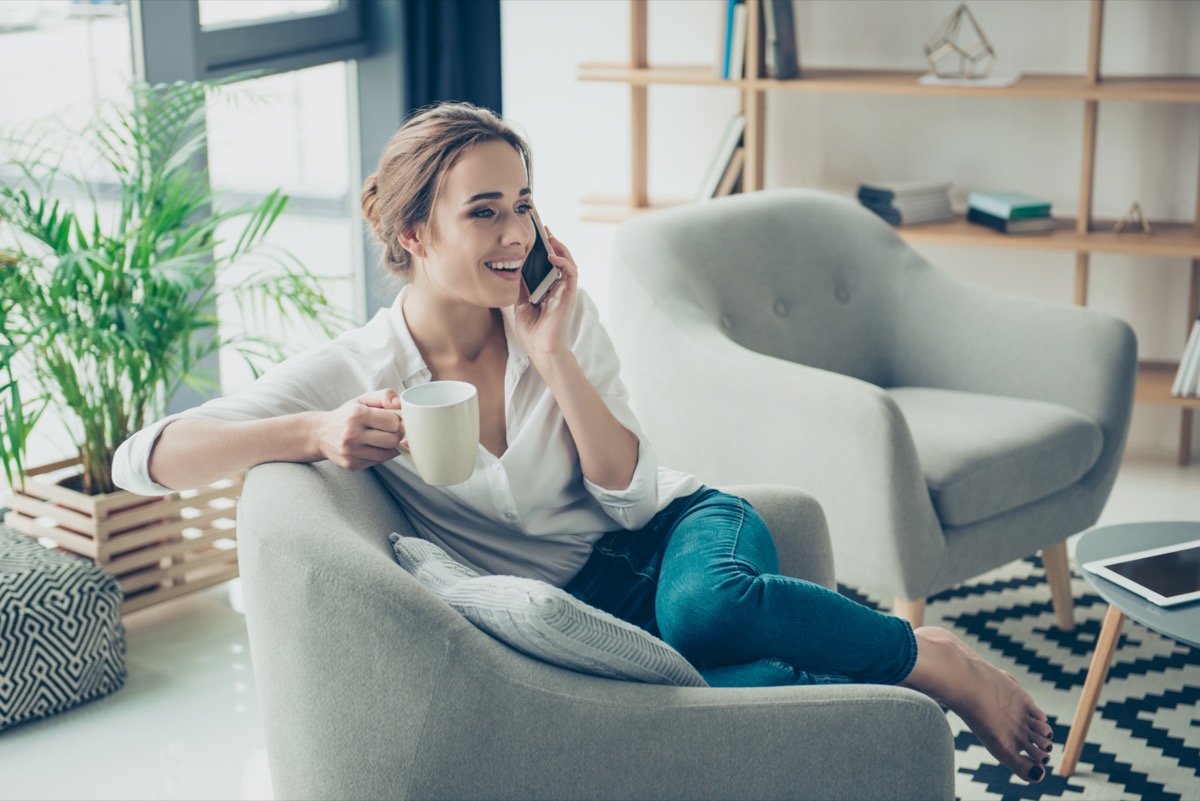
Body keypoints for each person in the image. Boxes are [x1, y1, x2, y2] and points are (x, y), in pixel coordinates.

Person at [113, 101, 1052, 784]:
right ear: (414, 229)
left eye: (523, 204)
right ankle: (885, 669)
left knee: (705, 613)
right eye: (484, 210)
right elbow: (143, 459)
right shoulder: (362, 365)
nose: (514, 230)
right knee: (750, 692)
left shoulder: (554, 313)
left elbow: (635, 491)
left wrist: (552, 354)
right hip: (594, 613)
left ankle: (930, 656)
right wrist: (315, 430)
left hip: (685, 535)